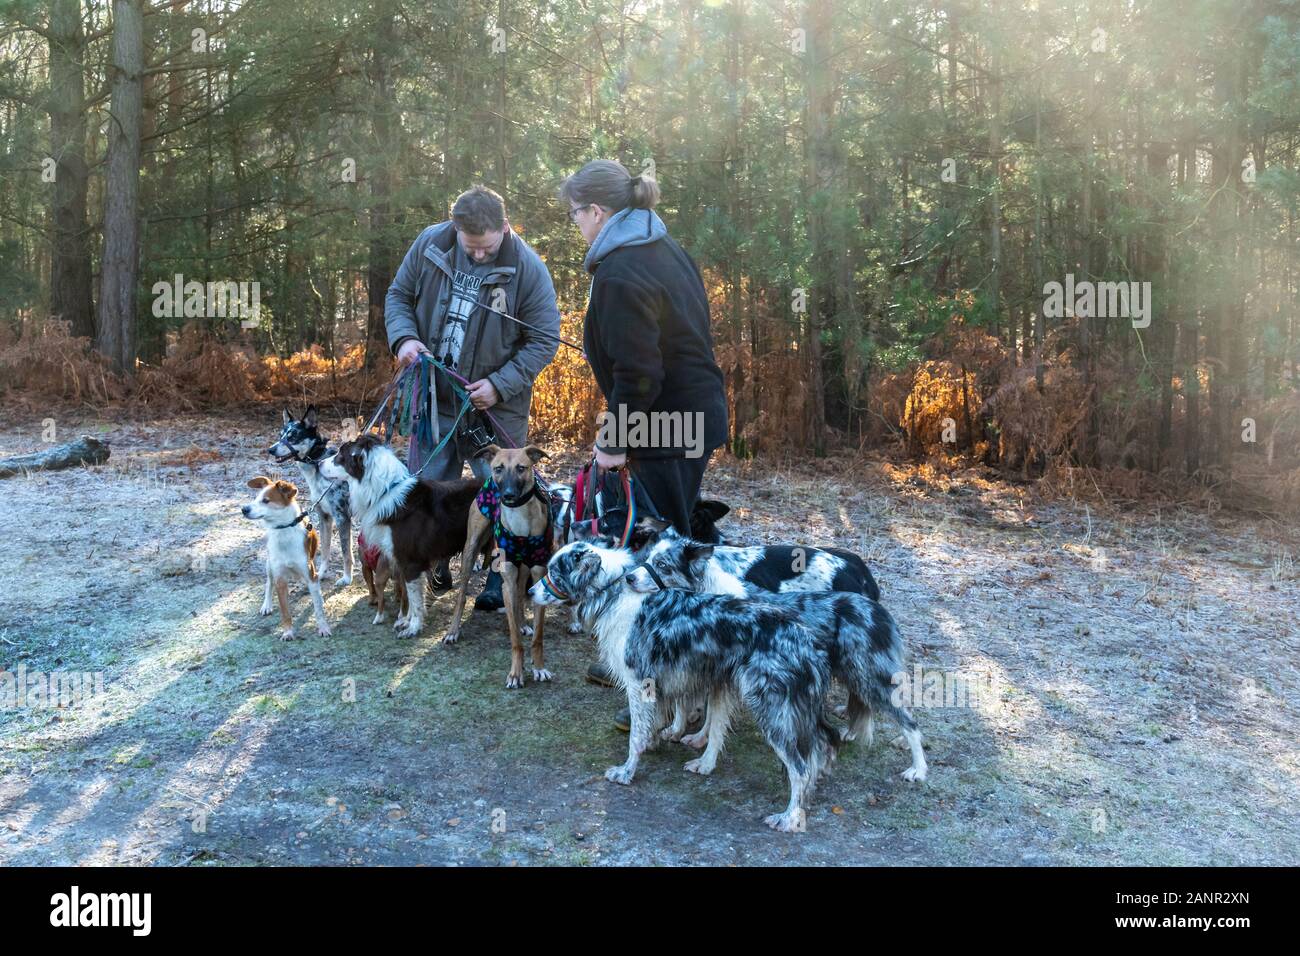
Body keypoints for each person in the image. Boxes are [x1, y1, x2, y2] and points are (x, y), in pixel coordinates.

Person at [559, 160, 728, 729]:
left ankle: (672, 688)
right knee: (674, 540)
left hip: (668, 421)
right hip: (692, 415)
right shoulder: (662, 246)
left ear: (598, 212)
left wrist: (614, 437)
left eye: (575, 213)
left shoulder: (620, 270)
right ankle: (687, 677)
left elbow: (639, 374)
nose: (574, 224)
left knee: (659, 550)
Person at [385, 185, 561, 609]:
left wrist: (499, 384)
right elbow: (398, 297)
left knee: (503, 493)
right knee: (430, 490)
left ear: (504, 226)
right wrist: (404, 339)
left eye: (486, 247)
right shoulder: (431, 243)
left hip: (496, 406)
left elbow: (544, 340)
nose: (479, 255)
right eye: (471, 247)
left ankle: (499, 578)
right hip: (432, 398)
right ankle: (432, 562)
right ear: (455, 227)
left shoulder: (528, 270)